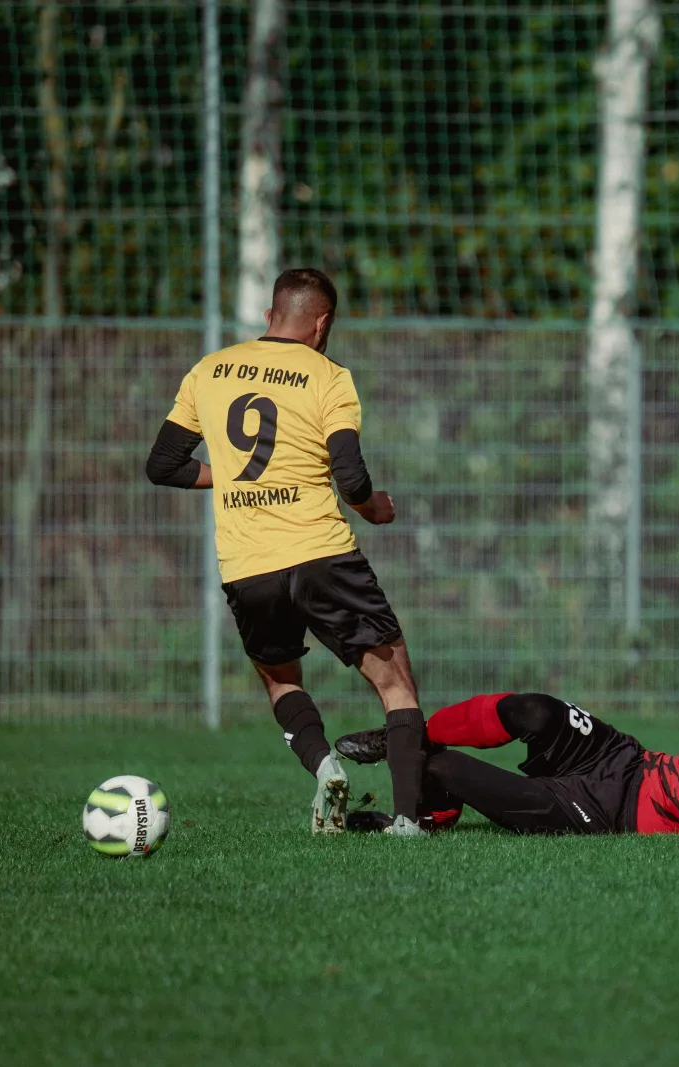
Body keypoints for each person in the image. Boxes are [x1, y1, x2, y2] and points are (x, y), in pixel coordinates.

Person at [144, 267, 427, 836]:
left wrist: (230, 476)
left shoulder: (210, 369)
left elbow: (163, 466)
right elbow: (350, 475)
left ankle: (326, 770)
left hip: (248, 567)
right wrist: (373, 509)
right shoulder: (328, 376)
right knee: (395, 684)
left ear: (271, 315)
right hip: (322, 553)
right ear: (322, 324)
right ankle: (408, 821)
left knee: (281, 680)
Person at [335, 692, 679, 839]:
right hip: (622, 757)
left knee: (445, 769)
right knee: (535, 710)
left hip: (604, 810)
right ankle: (402, 733)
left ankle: (428, 816)